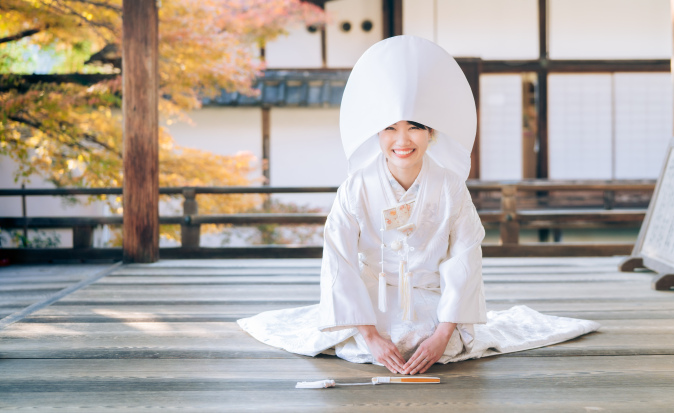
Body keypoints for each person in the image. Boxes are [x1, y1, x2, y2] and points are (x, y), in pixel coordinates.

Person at [238, 36, 599, 373]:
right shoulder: (355, 188)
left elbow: (466, 258)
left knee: (430, 341)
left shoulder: (450, 187)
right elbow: (339, 261)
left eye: (414, 127)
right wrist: (370, 336)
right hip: (372, 301)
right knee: (377, 341)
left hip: (432, 298)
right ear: (377, 133)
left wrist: (442, 333)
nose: (402, 140)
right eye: (390, 128)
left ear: (431, 132)